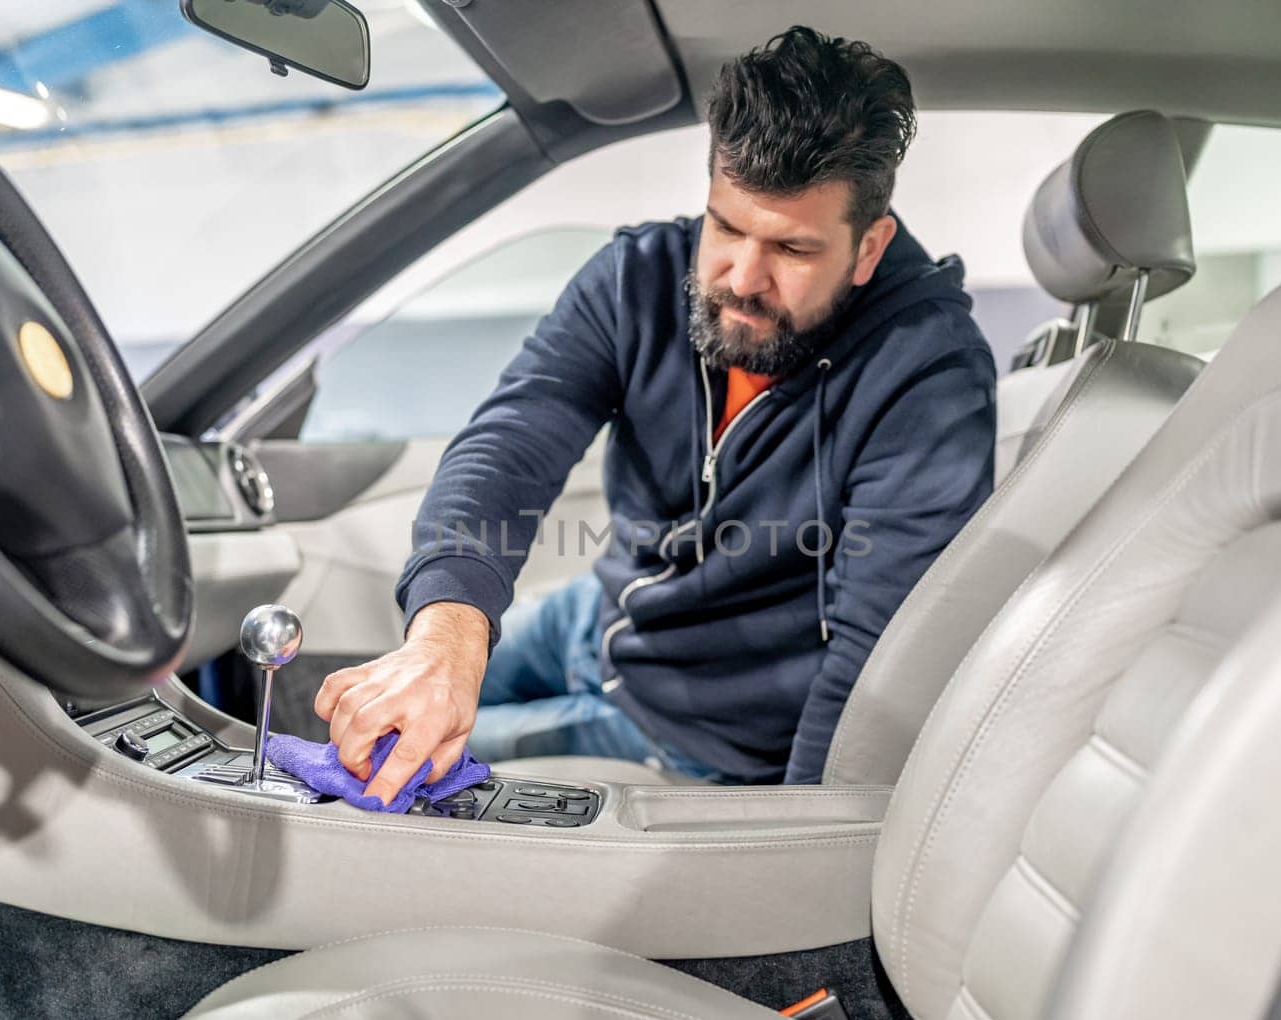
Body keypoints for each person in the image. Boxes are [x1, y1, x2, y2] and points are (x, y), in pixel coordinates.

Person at [314, 26, 996, 803]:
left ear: (868, 249)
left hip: (699, 733)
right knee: (377, 700)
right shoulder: (635, 283)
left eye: (793, 250)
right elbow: (512, 442)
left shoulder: (928, 376)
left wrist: (794, 848)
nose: (742, 278)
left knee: (366, 775)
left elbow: (876, 663)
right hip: (591, 620)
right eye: (727, 226)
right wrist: (447, 632)